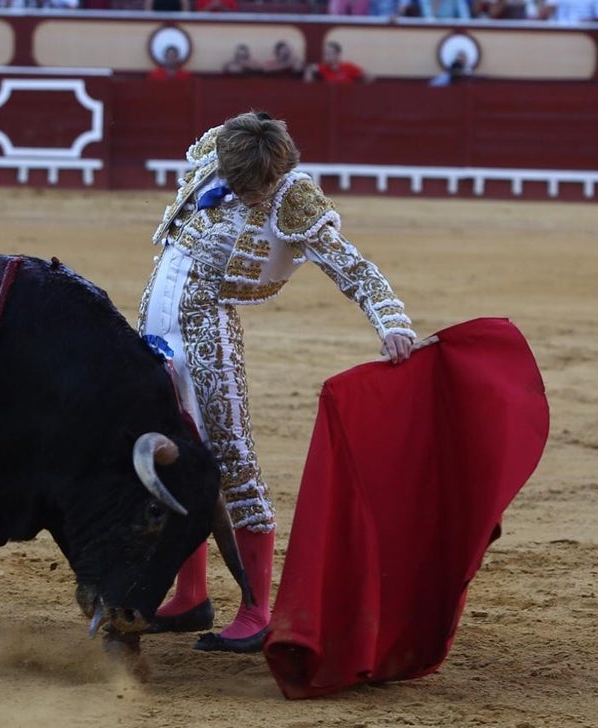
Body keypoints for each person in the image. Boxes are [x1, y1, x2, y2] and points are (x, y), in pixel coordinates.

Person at [138, 111, 416, 653]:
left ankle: (256, 609)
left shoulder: (293, 196)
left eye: (251, 187)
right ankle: (190, 593)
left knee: (232, 461)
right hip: (153, 327)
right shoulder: (218, 153)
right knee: (173, 457)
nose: (242, 193)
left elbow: (354, 268)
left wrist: (393, 323)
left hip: (208, 337)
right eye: (236, 181)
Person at [304, 41, 368, 84]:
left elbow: (367, 75)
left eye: (329, 53)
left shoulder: (348, 66)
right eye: (325, 53)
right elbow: (309, 70)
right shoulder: (322, 67)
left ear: (337, 54)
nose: (326, 56)